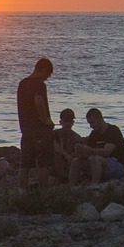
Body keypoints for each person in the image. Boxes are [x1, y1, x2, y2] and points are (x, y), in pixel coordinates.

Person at [16, 57, 56, 190]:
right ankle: (44, 193)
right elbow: (38, 101)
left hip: (25, 129)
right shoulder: (39, 84)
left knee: (25, 164)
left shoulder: (22, 83)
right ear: (43, 69)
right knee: (43, 163)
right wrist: (45, 120)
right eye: (48, 74)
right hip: (39, 129)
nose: (47, 78)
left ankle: (23, 192)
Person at [71, 107, 124, 185]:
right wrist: (81, 152)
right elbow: (89, 153)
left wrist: (88, 150)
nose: (91, 126)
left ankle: (94, 187)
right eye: (89, 123)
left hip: (118, 165)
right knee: (76, 161)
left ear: (99, 119)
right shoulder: (94, 134)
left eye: (92, 123)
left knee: (96, 159)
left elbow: (106, 152)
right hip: (100, 164)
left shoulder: (113, 130)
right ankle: (72, 188)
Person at [52, 108, 85, 183]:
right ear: (61, 122)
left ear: (73, 122)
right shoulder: (54, 134)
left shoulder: (77, 137)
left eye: (70, 121)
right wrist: (65, 154)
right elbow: (53, 146)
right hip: (56, 160)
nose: (68, 124)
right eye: (65, 121)